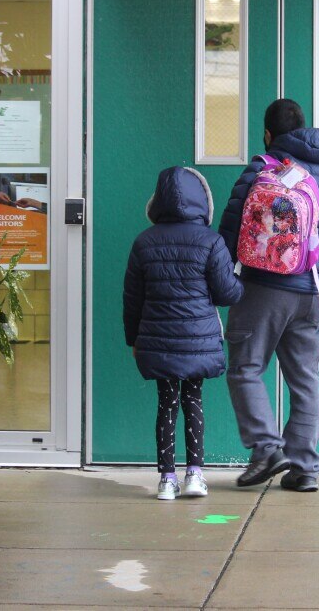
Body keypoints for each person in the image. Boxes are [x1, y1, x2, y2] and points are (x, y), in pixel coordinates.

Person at [218, 99, 319, 492]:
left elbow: (229, 233)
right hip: (313, 290)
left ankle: (266, 448)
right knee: (305, 380)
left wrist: (224, 284)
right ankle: (305, 467)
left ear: (267, 133)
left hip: (263, 287)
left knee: (245, 369)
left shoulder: (261, 169)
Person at [124, 166, 244, 500]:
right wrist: (239, 276)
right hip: (198, 338)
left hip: (157, 339)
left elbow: (132, 297)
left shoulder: (144, 242)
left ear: (157, 200)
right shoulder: (211, 241)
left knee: (166, 402)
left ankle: (166, 480)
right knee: (193, 400)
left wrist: (132, 338)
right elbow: (225, 294)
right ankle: (194, 475)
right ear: (201, 201)